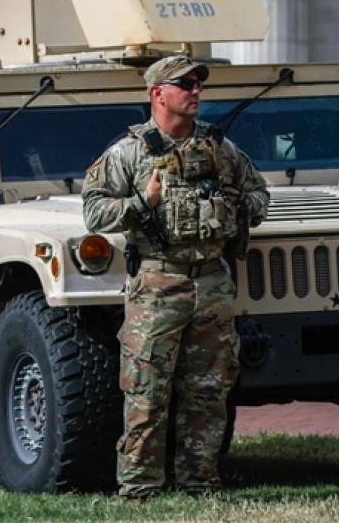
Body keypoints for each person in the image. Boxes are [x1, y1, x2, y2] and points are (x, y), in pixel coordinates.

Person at [82, 55, 270, 501]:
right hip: (156, 285)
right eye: (185, 84)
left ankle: (200, 482)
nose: (195, 91)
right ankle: (140, 488)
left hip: (211, 283)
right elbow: (93, 211)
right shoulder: (129, 153)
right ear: (158, 93)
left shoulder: (222, 150)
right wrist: (141, 202)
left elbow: (260, 193)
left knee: (209, 390)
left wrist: (241, 205)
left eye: (198, 84)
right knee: (147, 392)